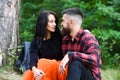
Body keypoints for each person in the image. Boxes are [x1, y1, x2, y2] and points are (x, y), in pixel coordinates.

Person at [59, 8, 102, 80]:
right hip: (71, 76)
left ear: (71, 22)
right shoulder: (65, 39)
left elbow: (95, 60)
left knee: (76, 63)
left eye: (63, 21)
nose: (61, 24)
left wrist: (71, 55)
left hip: (90, 77)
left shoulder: (87, 37)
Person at [22, 10, 63, 80]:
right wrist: (35, 71)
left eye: (55, 21)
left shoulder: (60, 38)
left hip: (58, 69)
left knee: (43, 62)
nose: (55, 24)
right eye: (51, 22)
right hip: (43, 70)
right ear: (43, 23)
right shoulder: (36, 41)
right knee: (29, 74)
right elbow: (33, 59)